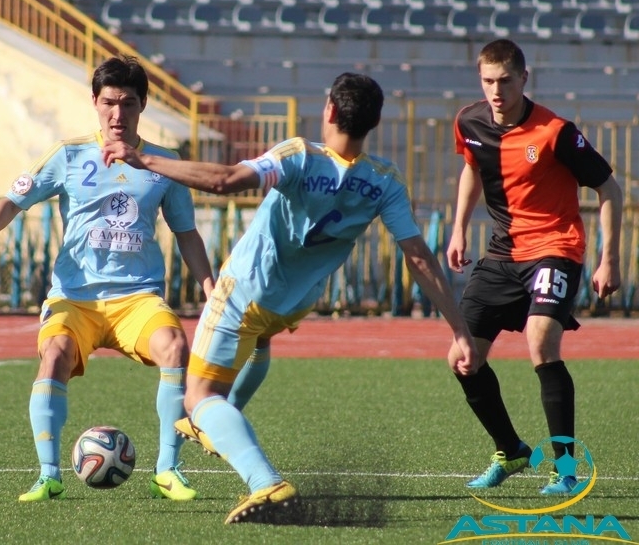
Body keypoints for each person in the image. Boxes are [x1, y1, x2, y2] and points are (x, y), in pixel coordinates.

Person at [103, 72, 478, 524]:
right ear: (373, 123)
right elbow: (418, 256)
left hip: (247, 290)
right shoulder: (385, 180)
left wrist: (144, 159)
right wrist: (459, 330)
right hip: (293, 303)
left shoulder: (299, 155)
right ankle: (224, 419)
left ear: (329, 111)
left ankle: (264, 481)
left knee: (197, 399)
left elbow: (226, 180)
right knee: (257, 343)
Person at [0, 55, 215, 503]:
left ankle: (168, 471)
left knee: (175, 346)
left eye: (128, 103)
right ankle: (48, 475)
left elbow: (187, 233)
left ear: (143, 105)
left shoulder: (165, 164)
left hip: (137, 299)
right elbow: (12, 201)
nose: (118, 114)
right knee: (54, 353)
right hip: (75, 299)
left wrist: (210, 288)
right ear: (94, 102)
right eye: (109, 103)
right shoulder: (68, 155)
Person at [445, 39, 622, 495]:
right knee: (463, 359)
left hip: (555, 247)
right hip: (502, 253)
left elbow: (609, 189)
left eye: (505, 80)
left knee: (541, 340)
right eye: (487, 81)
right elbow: (472, 167)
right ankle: (511, 450)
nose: (496, 91)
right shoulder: (469, 122)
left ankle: (565, 469)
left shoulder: (555, 131)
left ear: (524, 78)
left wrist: (609, 258)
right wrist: (458, 229)